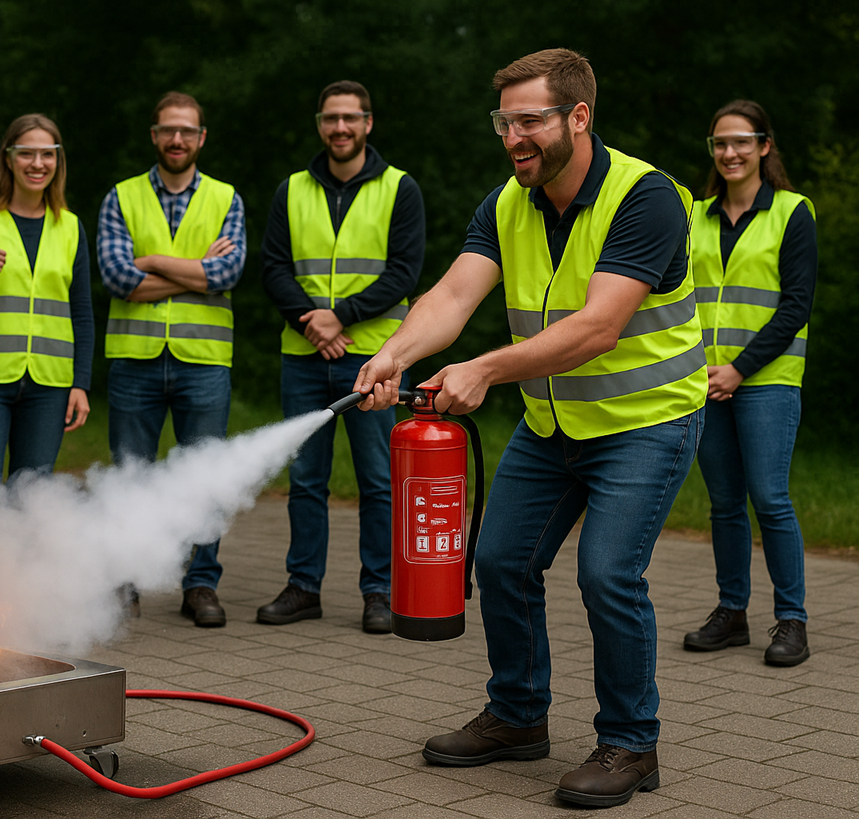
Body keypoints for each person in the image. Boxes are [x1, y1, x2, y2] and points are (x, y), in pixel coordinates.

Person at [354, 49, 706, 808]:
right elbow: (452, 294)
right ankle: (518, 716)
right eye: (503, 121)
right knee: (501, 560)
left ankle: (631, 743)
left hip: (644, 422)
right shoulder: (508, 202)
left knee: (608, 573)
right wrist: (395, 352)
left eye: (530, 120)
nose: (513, 136)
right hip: (553, 425)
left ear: (578, 117)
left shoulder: (646, 198)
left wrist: (481, 370)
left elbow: (599, 327)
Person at [259, 80, 425, 634]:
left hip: (376, 357)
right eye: (331, 119)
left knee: (378, 479)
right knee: (306, 479)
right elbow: (274, 268)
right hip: (305, 354)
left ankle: (378, 592)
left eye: (350, 118)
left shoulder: (401, 188)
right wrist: (313, 323)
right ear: (319, 123)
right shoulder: (291, 189)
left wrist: (341, 317)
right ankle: (304, 586)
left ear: (368, 123)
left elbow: (404, 271)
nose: (340, 128)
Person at [97, 91, 245, 628]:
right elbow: (117, 278)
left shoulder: (227, 198)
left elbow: (225, 276)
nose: (177, 139)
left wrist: (154, 262)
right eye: (167, 130)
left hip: (203, 362)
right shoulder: (121, 196)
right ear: (154, 136)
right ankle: (125, 581)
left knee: (204, 478)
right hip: (134, 360)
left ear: (201, 138)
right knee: (129, 477)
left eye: (187, 131)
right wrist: (193, 271)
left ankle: (200, 585)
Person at [681, 101, 817, 667]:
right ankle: (732, 613)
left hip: (767, 380)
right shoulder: (695, 214)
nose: (729, 153)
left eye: (741, 142)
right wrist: (704, 371)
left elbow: (794, 307)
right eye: (720, 143)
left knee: (770, 498)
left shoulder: (792, 212)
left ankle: (793, 621)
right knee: (723, 504)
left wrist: (740, 369)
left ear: (764, 146)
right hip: (705, 383)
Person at [0, 113, 93, 483]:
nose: (37, 164)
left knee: (34, 498)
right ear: (8, 159)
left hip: (49, 387)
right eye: (27, 154)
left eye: (47, 154)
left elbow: (82, 313)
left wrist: (80, 384)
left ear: (58, 160)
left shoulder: (70, 227)